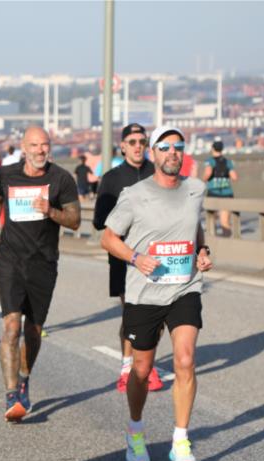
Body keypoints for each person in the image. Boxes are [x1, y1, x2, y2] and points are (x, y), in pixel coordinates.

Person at [100, 125, 213, 461]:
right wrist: (136, 258)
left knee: (185, 359)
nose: (172, 153)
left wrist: (203, 250)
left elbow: (195, 227)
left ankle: (180, 440)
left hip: (184, 287)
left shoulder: (196, 189)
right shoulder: (135, 195)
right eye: (165, 147)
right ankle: (135, 429)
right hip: (145, 292)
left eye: (178, 147)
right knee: (141, 368)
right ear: (153, 153)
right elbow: (108, 238)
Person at [0, 126, 80, 422]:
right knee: (12, 327)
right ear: (24, 148)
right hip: (10, 260)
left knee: (33, 331)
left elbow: (75, 220)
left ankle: (24, 377)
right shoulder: (7, 174)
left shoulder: (61, 179)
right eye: (34, 145)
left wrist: (50, 211)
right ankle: (12, 395)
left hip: (43, 263)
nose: (40, 151)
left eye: (45, 145)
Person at [92, 123, 163, 394]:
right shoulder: (111, 178)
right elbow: (100, 221)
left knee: (155, 315)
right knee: (133, 314)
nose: (137, 146)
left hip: (155, 257)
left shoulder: (157, 173)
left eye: (142, 142)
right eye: (132, 141)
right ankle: (126, 369)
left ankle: (146, 365)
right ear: (122, 146)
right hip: (123, 257)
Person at [202, 140, 238, 236]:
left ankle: (213, 242)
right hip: (227, 193)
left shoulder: (209, 161)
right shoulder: (228, 162)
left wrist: (203, 180)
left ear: (213, 148)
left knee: (211, 220)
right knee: (225, 222)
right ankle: (226, 244)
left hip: (213, 193)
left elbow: (208, 173)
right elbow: (234, 177)